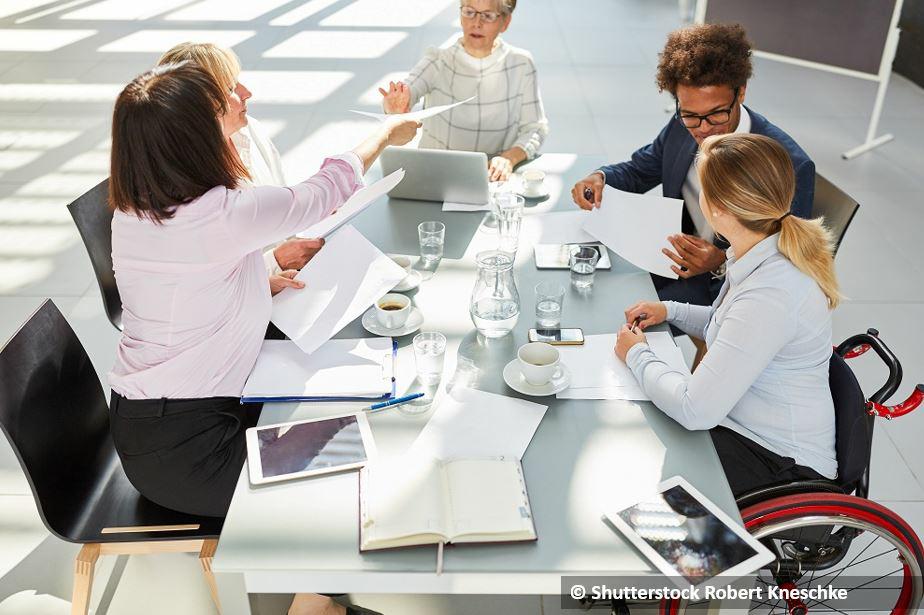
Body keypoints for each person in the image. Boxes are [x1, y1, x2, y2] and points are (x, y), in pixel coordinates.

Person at [108, 62, 418, 615]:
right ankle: (314, 607)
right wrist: (386, 132)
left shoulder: (133, 212)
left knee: (340, 419)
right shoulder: (221, 214)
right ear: (192, 138)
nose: (233, 104)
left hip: (156, 422)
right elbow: (325, 190)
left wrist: (257, 278)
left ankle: (316, 594)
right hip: (188, 452)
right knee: (345, 463)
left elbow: (190, 284)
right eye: (217, 106)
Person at [614, 133, 839, 497]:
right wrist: (669, 310)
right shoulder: (759, 252)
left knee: (635, 466)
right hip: (745, 427)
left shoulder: (771, 294)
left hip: (778, 463)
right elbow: (727, 325)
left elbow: (694, 410)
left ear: (717, 209)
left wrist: (636, 354)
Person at [571, 23, 815, 309]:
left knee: (619, 311)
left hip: (727, 289)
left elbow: (785, 260)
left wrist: (721, 260)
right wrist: (601, 177)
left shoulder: (789, 165)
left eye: (717, 114)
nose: (703, 129)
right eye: (690, 115)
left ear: (741, 93)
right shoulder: (681, 126)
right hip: (670, 258)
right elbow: (640, 170)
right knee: (590, 286)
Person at [158, 42, 321, 280]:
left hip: (290, 275)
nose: (247, 93)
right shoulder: (182, 185)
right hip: (245, 294)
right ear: (201, 107)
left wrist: (313, 213)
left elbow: (281, 207)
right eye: (231, 87)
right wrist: (276, 262)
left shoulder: (249, 130)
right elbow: (205, 284)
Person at [379, 0, 548, 181]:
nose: (476, 23)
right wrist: (394, 107)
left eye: (488, 16)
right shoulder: (438, 59)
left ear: (505, 22)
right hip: (435, 175)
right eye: (469, 12)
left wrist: (509, 158)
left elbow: (535, 128)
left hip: (491, 178)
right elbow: (409, 90)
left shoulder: (521, 64)